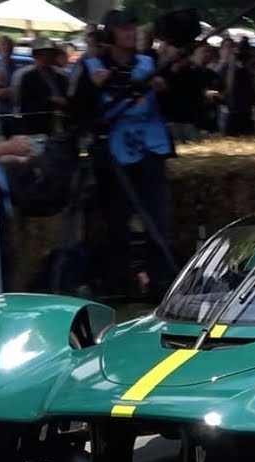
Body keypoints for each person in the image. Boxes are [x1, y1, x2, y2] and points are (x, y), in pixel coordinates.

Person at [68, 8, 176, 298]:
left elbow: (178, 107)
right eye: (124, 28)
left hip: (150, 152)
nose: (131, 33)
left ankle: (160, 283)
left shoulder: (149, 64)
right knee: (116, 224)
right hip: (114, 156)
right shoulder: (91, 67)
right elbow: (76, 112)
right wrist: (94, 86)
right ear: (110, 35)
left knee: (157, 220)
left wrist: (164, 89)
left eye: (133, 27)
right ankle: (121, 283)